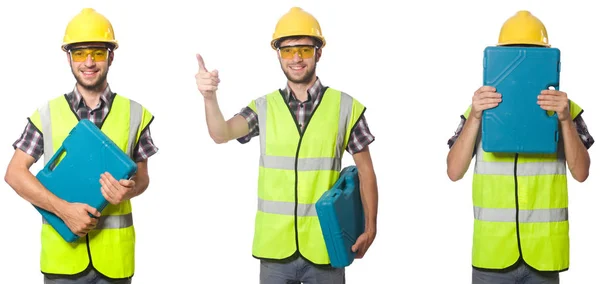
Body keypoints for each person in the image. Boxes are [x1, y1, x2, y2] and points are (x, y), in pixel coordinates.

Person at [195, 6, 378, 284]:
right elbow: (221, 133)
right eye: (287, 50)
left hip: (326, 245)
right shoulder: (263, 107)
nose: (296, 58)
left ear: (319, 52)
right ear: (278, 54)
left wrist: (371, 227)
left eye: (304, 49)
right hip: (275, 250)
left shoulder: (346, 107)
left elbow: (366, 172)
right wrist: (209, 97)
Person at [4, 8, 158, 284]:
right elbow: (14, 174)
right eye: (79, 53)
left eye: (98, 52)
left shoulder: (136, 113)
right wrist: (64, 210)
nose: (89, 61)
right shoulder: (46, 114)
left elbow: (144, 177)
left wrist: (129, 190)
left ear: (111, 55)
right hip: (62, 258)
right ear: (68, 57)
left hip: (115, 260)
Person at [446, 10, 594, 284]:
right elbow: (454, 171)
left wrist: (564, 120)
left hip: (544, 255)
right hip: (492, 256)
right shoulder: (479, 110)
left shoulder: (566, 111)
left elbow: (582, 173)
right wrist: (476, 116)